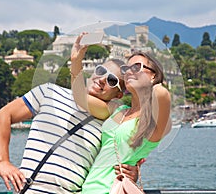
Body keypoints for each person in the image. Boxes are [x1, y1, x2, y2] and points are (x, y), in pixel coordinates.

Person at [0, 35, 143, 193]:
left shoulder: (112, 121)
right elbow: (2, 116)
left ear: (118, 95)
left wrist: (132, 172)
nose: (102, 79)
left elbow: (119, 157)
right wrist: (3, 162)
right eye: (101, 71)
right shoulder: (49, 92)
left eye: (112, 80)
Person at [71, 51, 172, 193]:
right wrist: (76, 61)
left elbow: (162, 94)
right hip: (88, 189)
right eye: (126, 69)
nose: (129, 71)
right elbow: (80, 96)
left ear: (153, 75)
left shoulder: (151, 122)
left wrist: (152, 84)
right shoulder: (118, 110)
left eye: (136, 67)